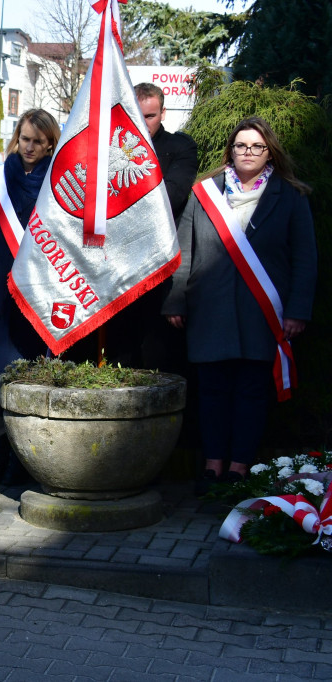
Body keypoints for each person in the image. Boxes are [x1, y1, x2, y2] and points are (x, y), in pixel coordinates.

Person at [162, 116, 316, 494]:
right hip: (209, 311)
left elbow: (305, 260)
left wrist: (297, 311)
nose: (248, 152)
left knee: (250, 392)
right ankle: (213, 464)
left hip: (261, 313)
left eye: (257, 147)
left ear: (270, 153)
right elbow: (183, 250)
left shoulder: (290, 196)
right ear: (231, 150)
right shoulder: (204, 193)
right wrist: (174, 300)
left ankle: (239, 467)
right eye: (241, 146)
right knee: (212, 391)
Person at [0, 109, 60, 485]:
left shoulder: (60, 179)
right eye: (24, 139)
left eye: (38, 140)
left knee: (28, 376)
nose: (30, 147)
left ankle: (25, 459)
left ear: (50, 142)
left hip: (40, 290)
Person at [100, 83, 201, 370]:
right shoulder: (107, 148)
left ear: (163, 113)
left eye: (150, 116)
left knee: (158, 358)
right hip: (116, 264)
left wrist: (122, 201)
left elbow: (172, 195)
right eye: (137, 115)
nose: (143, 123)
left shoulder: (180, 146)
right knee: (119, 354)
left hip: (161, 263)